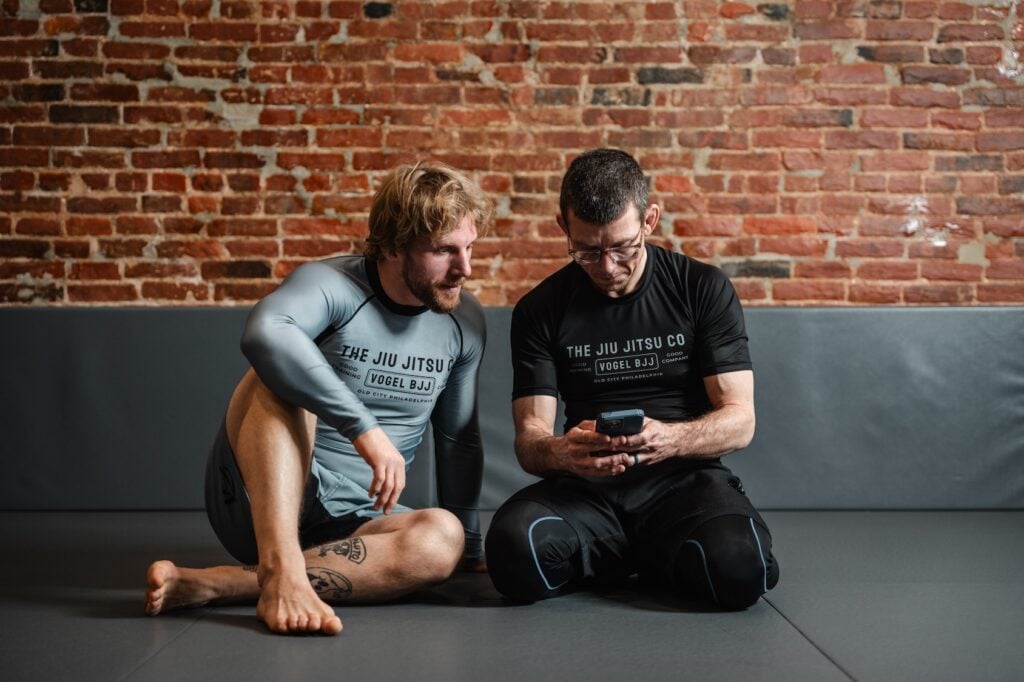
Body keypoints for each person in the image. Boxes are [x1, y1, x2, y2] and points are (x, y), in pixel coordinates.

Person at [145, 161, 491, 635]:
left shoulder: (463, 322)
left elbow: (458, 438)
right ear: (392, 244)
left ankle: (234, 584)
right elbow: (265, 333)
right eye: (443, 251)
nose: (464, 268)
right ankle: (278, 564)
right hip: (257, 499)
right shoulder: (332, 285)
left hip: (354, 523)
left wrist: (470, 544)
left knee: (441, 539)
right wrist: (363, 428)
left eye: (469, 247)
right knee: (283, 372)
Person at [485, 149, 779, 610]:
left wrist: (670, 439)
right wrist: (562, 451)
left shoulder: (701, 288)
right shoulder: (540, 309)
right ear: (563, 227)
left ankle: (643, 552)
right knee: (512, 553)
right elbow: (530, 440)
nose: (606, 267)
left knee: (740, 570)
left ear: (649, 220)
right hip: (588, 492)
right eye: (586, 251)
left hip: (681, 485)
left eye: (622, 247)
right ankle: (644, 556)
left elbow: (740, 421)